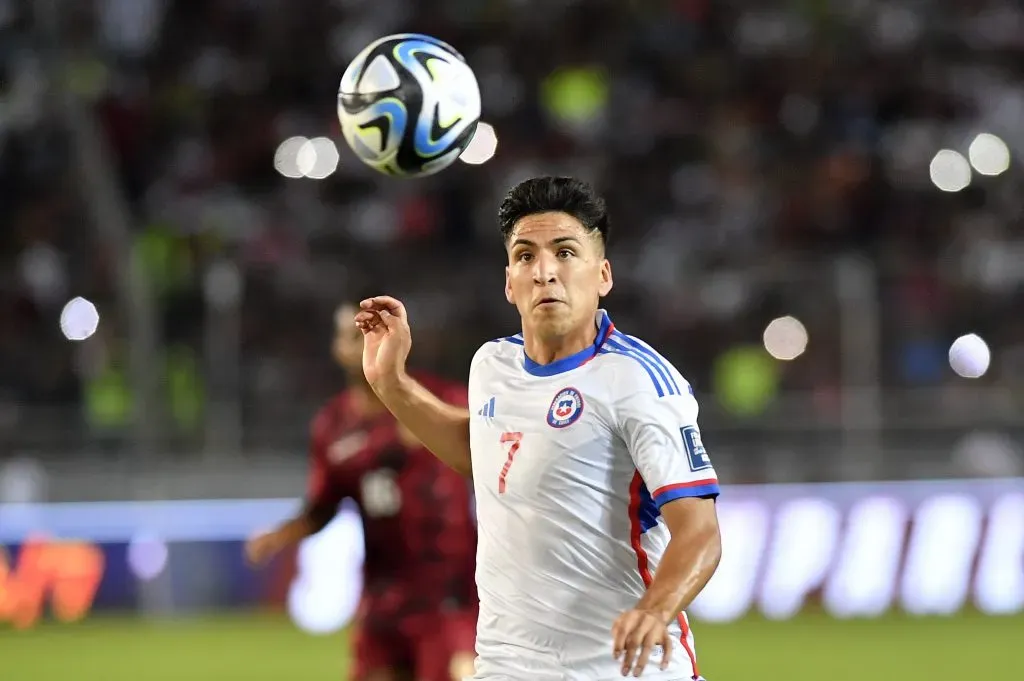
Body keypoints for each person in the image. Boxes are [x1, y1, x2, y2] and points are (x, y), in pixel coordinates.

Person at [354, 176, 723, 681]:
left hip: (622, 670)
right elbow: (484, 451)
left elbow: (700, 532)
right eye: (525, 256)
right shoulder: (491, 365)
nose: (544, 271)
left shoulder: (639, 380)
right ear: (509, 282)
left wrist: (655, 610)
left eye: (565, 252)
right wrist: (391, 383)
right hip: (506, 665)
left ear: (603, 276)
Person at [245, 300, 478, 681]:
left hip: (450, 595)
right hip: (384, 597)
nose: (366, 341)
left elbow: (494, 457)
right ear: (337, 348)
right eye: (354, 335)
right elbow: (323, 506)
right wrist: (280, 536)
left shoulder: (443, 400)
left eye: (376, 330)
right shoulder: (333, 426)